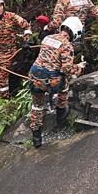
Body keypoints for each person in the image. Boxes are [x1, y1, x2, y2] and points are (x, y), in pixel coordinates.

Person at [27, 16, 86, 148]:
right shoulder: (67, 45)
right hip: (51, 81)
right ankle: (61, 111)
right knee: (64, 84)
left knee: (37, 106)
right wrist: (80, 68)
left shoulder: (47, 38)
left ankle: (36, 137)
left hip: (34, 76)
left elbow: (49, 59)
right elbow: (67, 69)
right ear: (75, 32)